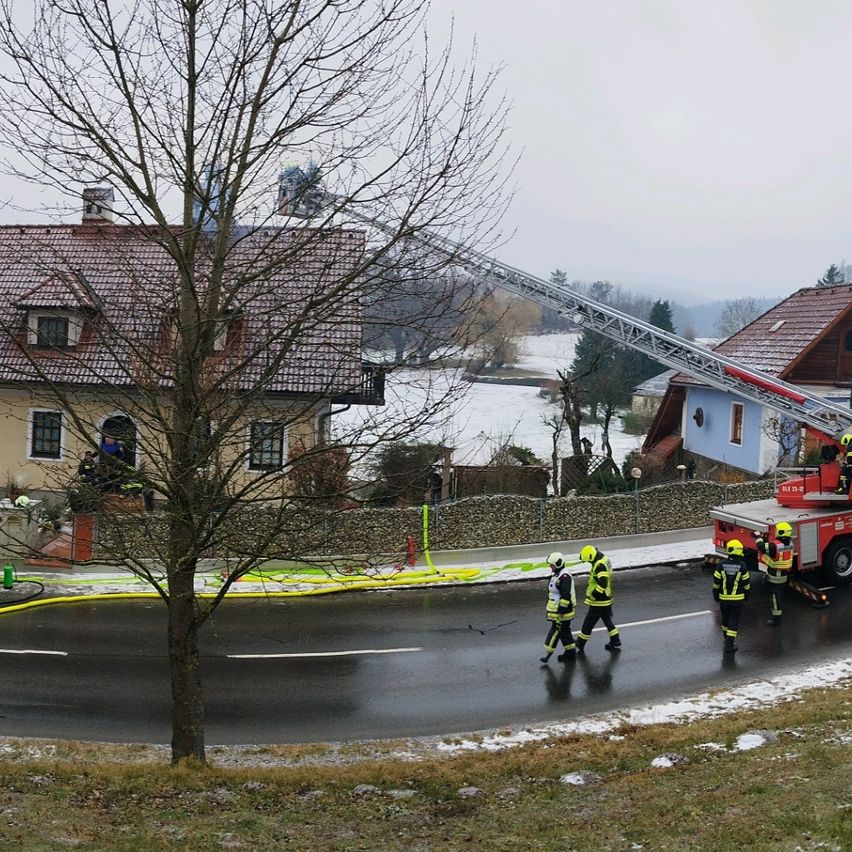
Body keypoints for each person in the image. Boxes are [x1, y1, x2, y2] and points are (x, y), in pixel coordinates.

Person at [575, 544, 621, 653]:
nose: (589, 563)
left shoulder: (599, 565)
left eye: (588, 561)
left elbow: (603, 582)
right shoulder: (602, 558)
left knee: (589, 622)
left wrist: (594, 594)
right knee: (607, 619)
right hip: (606, 598)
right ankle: (615, 639)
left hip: (599, 601)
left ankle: (580, 643)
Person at [713, 539, 751, 654]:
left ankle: (726, 639)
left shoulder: (721, 565)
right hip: (737, 600)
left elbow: (716, 582)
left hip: (723, 599)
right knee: (733, 621)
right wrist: (747, 596)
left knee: (725, 620)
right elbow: (746, 584)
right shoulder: (742, 565)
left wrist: (716, 595)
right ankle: (729, 644)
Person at [540, 552, 577, 664]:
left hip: (562, 612)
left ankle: (549, 654)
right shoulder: (558, 574)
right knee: (565, 632)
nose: (550, 567)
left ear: (558, 564)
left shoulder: (564, 577)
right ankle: (570, 653)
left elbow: (566, 596)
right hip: (560, 611)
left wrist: (561, 611)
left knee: (557, 632)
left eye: (552, 565)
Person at [755, 522, 793, 627]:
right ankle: (777, 617)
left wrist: (758, 537)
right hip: (784, 576)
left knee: (775, 598)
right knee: (779, 595)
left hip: (775, 577)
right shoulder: (790, 544)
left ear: (780, 532)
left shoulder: (774, 546)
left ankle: (776, 620)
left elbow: (761, 547)